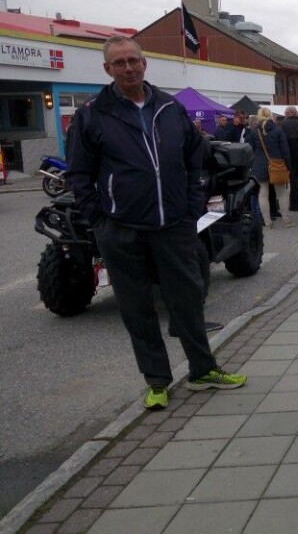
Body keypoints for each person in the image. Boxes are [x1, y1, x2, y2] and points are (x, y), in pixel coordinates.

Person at [66, 35, 246, 412]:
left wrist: (192, 204)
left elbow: (195, 158)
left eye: (133, 60)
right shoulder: (92, 114)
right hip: (121, 229)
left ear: (144, 63)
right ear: (107, 69)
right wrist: (99, 220)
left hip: (174, 226)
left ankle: (202, 370)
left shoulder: (169, 107)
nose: (128, 67)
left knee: (188, 300)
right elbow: (80, 174)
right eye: (119, 63)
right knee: (136, 309)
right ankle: (157, 381)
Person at [249, 106, 293, 228]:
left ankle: (267, 222)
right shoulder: (278, 130)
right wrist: (288, 167)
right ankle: (286, 220)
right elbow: (285, 151)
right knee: (282, 193)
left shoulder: (254, 131)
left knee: (263, 194)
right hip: (277, 163)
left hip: (260, 165)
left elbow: (250, 149)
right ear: (270, 116)